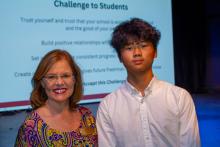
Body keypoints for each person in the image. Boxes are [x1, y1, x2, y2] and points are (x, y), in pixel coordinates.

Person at [96, 18, 200, 147]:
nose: (137, 53)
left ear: (155, 52)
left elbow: (191, 144)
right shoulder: (108, 106)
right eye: (129, 48)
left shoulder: (179, 97)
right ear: (119, 57)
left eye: (143, 46)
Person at [15, 49, 98, 146]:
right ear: (42, 82)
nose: (59, 82)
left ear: (74, 79)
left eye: (65, 76)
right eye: (51, 77)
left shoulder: (87, 116)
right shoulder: (31, 127)